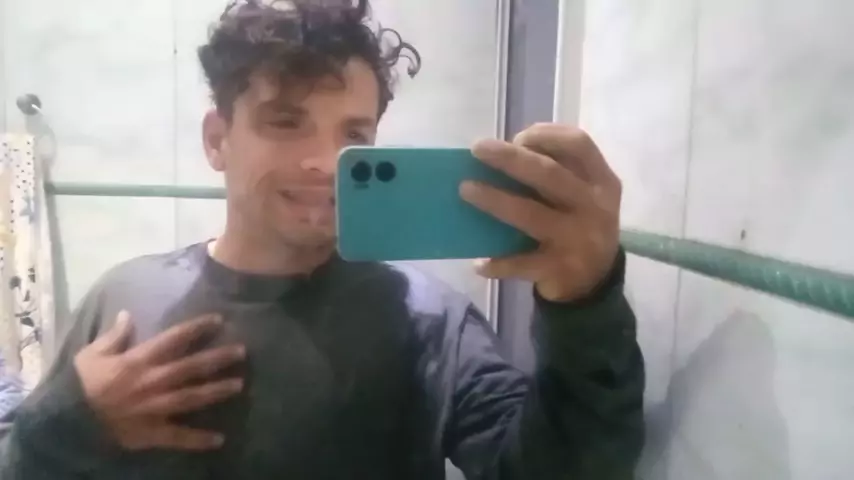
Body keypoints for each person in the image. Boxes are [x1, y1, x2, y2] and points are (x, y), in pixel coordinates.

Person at [0, 0, 645, 478]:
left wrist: (585, 306)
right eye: (286, 122)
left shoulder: (429, 320)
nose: (325, 164)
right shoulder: (123, 299)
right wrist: (67, 422)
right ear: (217, 139)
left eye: (354, 136)